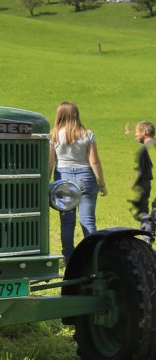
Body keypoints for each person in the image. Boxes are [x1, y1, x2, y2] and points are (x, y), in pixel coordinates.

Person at [49, 101, 107, 265]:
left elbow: (50, 162)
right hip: (85, 177)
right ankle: (93, 256)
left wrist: (45, 183)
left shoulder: (53, 134)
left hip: (63, 179)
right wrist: (102, 183)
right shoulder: (87, 134)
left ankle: (68, 257)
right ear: (76, 114)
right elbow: (94, 162)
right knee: (88, 220)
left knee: (67, 222)